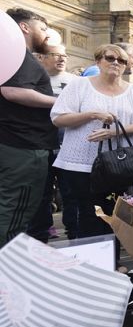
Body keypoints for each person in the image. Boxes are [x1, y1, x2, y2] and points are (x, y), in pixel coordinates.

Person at [51, 44, 133, 238]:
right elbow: (58, 118)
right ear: (98, 61)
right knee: (87, 212)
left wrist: (113, 132)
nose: (115, 63)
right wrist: (92, 114)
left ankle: (114, 260)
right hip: (80, 163)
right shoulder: (79, 85)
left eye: (121, 61)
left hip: (120, 165)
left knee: (115, 212)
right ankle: (91, 260)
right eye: (110, 58)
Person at [0, 8, 58, 247]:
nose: (47, 35)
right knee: (15, 212)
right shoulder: (20, 55)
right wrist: (60, 102)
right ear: (24, 27)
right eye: (43, 28)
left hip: (14, 143)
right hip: (23, 147)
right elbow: (12, 91)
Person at [30, 43, 76, 241]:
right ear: (40, 57)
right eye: (55, 55)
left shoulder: (76, 81)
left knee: (72, 196)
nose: (62, 59)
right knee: (41, 196)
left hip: (70, 149)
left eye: (64, 55)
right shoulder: (32, 79)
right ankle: (40, 240)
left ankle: (76, 237)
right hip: (41, 146)